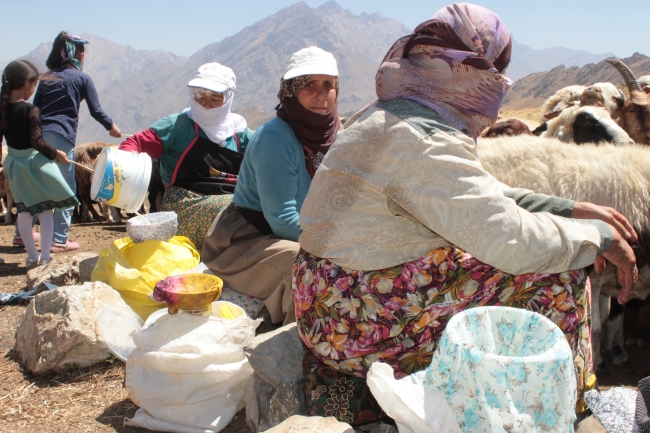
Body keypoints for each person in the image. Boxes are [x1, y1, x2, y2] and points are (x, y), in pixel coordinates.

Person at [293, 4, 638, 424]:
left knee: (513, 257)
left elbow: (478, 195)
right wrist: (596, 238)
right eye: (498, 66)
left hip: (323, 299)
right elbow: (511, 241)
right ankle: (554, 411)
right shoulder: (426, 139)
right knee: (558, 275)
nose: (501, 79)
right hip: (354, 320)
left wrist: (567, 208)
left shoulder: (390, 117)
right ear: (474, 69)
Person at [202, 46, 342, 325]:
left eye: (328, 85)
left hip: (308, 231)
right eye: (309, 84)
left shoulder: (335, 133)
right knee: (306, 265)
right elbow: (282, 220)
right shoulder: (275, 139)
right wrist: (341, 242)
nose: (320, 93)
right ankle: (304, 343)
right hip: (249, 240)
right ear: (290, 90)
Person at [119, 63, 254, 249]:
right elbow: (134, 144)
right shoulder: (177, 126)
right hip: (184, 206)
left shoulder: (241, 133)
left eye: (215, 97)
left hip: (234, 201)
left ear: (228, 98)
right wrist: (125, 175)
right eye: (200, 95)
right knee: (245, 207)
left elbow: (269, 157)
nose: (206, 104)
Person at [13, 32, 121, 252]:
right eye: (82, 51)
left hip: (39, 136)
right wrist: (112, 127)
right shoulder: (82, 79)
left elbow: (35, 109)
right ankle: (59, 240)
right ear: (75, 53)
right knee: (66, 188)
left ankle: (20, 235)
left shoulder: (46, 78)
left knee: (37, 184)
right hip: (61, 136)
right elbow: (96, 110)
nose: (84, 56)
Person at [0, 60, 78, 269]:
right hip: (33, 165)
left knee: (24, 211)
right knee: (45, 211)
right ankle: (45, 257)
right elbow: (37, 142)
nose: (34, 89)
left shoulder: (3, 109)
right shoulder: (30, 110)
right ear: (26, 83)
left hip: (14, 165)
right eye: (34, 84)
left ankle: (31, 257)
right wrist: (57, 155)